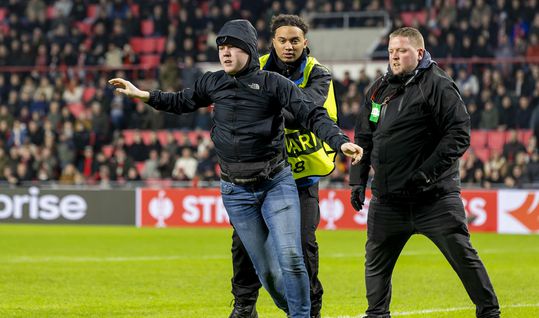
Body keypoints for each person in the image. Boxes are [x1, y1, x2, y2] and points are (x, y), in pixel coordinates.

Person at [109, 19, 363, 318]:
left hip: (279, 182)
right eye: (222, 47)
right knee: (262, 269)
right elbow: (180, 101)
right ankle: (257, 307)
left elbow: (312, 114)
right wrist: (144, 95)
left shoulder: (278, 82)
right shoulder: (212, 81)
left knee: (294, 255)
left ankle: (304, 314)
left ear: (249, 50)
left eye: (233, 47)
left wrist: (339, 141)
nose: (226, 53)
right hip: (237, 190)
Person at [349, 27, 500, 318]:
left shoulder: (438, 84)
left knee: (463, 257)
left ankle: (489, 312)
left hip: (434, 198)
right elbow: (364, 137)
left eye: (401, 50)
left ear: (419, 53)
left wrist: (427, 173)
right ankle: (377, 314)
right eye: (391, 50)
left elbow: (458, 133)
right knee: (375, 264)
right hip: (388, 199)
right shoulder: (378, 89)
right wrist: (358, 181)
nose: (394, 56)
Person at [229, 14, 336, 318]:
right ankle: (245, 306)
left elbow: (305, 110)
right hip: (261, 173)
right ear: (271, 42)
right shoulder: (255, 65)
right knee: (243, 245)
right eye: (282, 40)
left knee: (303, 245)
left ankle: (310, 310)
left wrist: (264, 105)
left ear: (306, 43)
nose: (288, 46)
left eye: (295, 40)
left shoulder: (319, 74)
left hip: (301, 177)